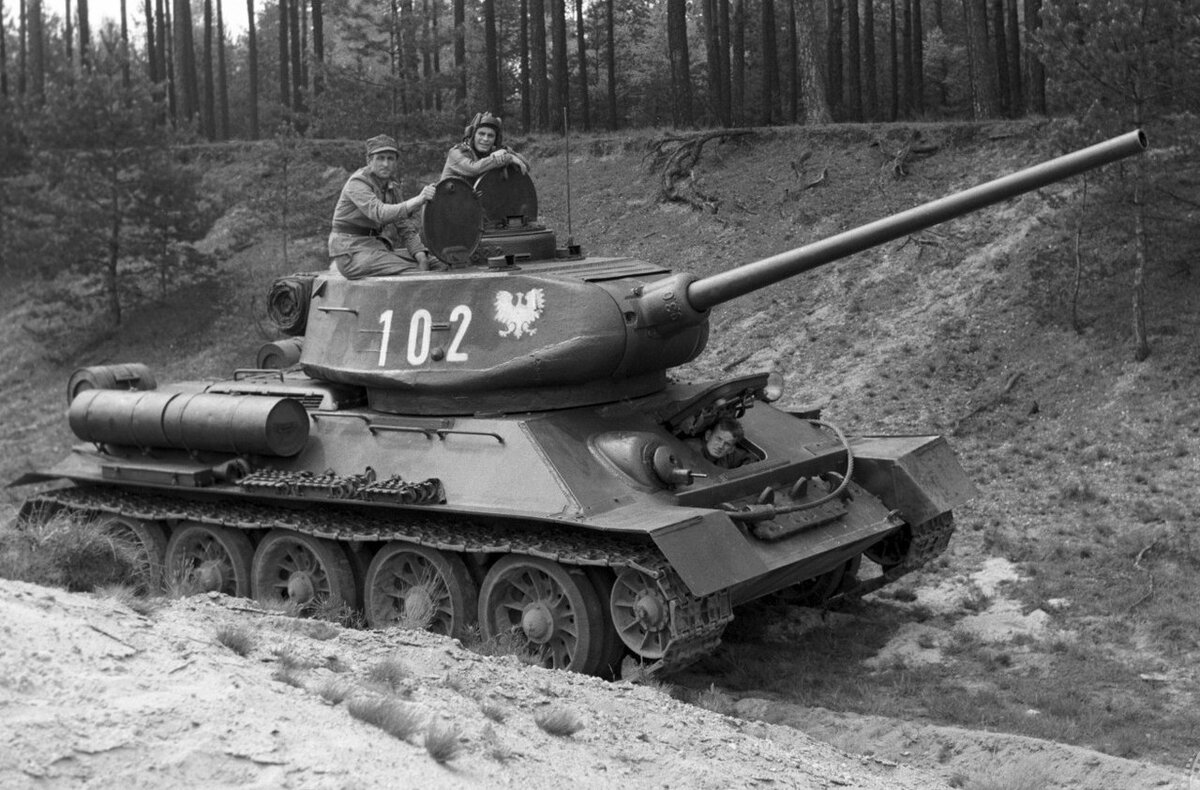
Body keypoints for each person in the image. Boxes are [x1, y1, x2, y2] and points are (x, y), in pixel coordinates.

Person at [329, 134, 443, 280]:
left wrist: (420, 255)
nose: (385, 164)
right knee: (414, 271)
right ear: (369, 161)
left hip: (375, 250)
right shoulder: (357, 183)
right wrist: (418, 200)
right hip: (351, 253)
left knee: (437, 263)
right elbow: (380, 213)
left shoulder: (391, 187)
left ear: (396, 162)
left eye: (390, 158)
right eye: (380, 158)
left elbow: (405, 227)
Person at [441, 112, 530, 181]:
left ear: (495, 140)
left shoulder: (495, 151)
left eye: (490, 136)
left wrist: (506, 153)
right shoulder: (456, 152)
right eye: (481, 134)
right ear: (473, 136)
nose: (485, 139)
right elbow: (474, 169)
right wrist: (508, 158)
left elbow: (525, 166)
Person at [686, 417, 752, 469]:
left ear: (731, 449)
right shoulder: (689, 449)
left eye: (727, 444)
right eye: (718, 439)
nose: (721, 446)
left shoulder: (729, 455)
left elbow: (750, 458)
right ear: (708, 435)